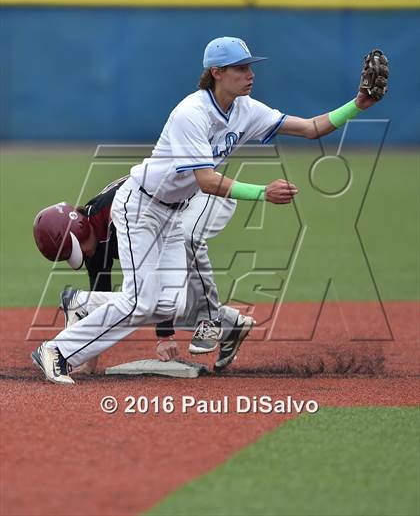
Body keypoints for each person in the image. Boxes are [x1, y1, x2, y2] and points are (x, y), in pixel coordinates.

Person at [31, 36, 387, 385]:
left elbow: (311, 128)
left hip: (171, 212)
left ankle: (84, 304)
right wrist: (262, 192)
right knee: (139, 300)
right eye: (241, 68)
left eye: (250, 67)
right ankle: (57, 352)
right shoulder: (192, 113)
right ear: (216, 72)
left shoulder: (246, 110)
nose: (250, 74)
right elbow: (205, 180)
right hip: (140, 207)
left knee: (169, 304)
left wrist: (359, 103)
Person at [33, 175, 252, 372]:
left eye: (76, 250)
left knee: (185, 238)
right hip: (177, 211)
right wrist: (89, 362)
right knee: (148, 302)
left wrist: (164, 336)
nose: (82, 255)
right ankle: (229, 326)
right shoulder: (94, 239)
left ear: (78, 229)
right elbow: (106, 301)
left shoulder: (116, 215)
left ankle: (212, 319)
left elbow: (160, 266)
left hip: (207, 194)